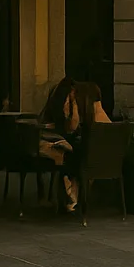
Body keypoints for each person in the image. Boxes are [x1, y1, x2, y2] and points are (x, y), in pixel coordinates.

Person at [38, 78, 110, 212]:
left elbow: (72, 126)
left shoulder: (92, 116)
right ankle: (73, 192)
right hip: (107, 161)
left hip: (92, 161)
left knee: (71, 158)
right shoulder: (101, 115)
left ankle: (71, 191)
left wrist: (74, 106)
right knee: (73, 156)